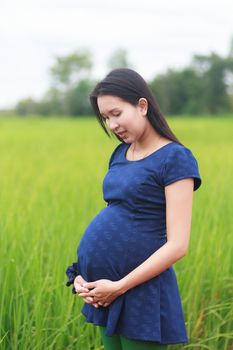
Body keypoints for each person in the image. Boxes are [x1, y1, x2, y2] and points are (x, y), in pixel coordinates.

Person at [65, 68, 202, 350]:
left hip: (140, 291)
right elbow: (119, 216)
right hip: (102, 290)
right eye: (105, 118)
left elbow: (178, 245)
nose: (112, 124)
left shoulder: (175, 158)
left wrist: (119, 286)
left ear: (142, 106)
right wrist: (81, 274)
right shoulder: (119, 154)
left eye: (116, 113)